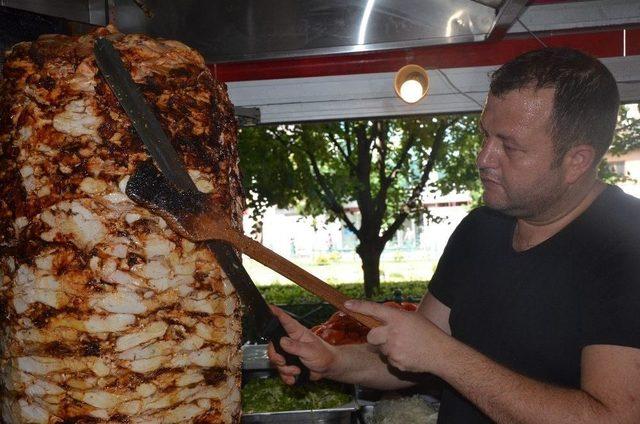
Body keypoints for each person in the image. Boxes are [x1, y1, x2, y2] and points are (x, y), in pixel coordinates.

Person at [267, 47, 640, 423]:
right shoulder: (481, 229)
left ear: (576, 161)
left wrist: (444, 355)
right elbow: (415, 352)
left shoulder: (627, 245)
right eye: (485, 135)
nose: (484, 157)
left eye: (509, 145)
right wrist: (332, 360)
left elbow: (614, 417)